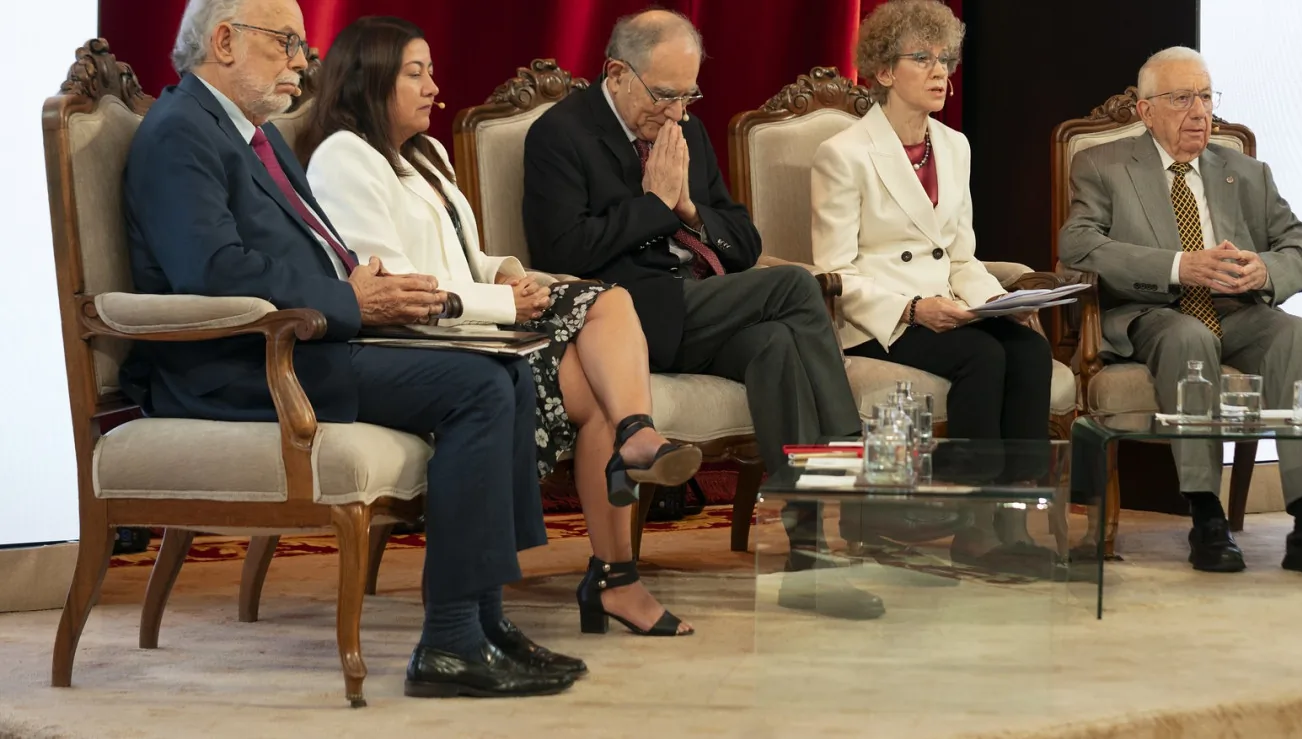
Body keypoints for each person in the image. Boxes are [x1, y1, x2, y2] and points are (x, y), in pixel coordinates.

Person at [123, 0, 583, 698]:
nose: (302, 62)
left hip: (307, 341)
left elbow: (309, 250)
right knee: (478, 387)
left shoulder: (257, 136)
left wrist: (361, 284)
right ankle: (452, 638)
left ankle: (485, 618)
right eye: (285, 43)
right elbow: (212, 274)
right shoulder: (180, 133)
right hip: (239, 366)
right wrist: (352, 301)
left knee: (506, 369)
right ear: (223, 41)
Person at [301, 16, 698, 635]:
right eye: (415, 73)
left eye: (431, 71)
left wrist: (509, 273)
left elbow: (467, 254)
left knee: (607, 318)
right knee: (598, 363)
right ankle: (619, 549)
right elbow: (400, 288)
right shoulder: (343, 159)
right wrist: (504, 305)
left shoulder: (424, 154)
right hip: (431, 340)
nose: (434, 85)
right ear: (367, 79)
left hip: (480, 320)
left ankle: (630, 469)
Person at [521, 10, 880, 619]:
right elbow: (564, 252)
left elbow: (741, 234)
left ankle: (811, 558)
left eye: (689, 93)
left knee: (775, 345)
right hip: (629, 326)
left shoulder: (689, 131)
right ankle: (849, 459)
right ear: (616, 73)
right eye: (665, 94)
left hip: (705, 306)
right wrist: (657, 206)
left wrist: (688, 209)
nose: (678, 111)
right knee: (793, 286)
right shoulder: (561, 134)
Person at [1059, 47, 1302, 579]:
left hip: (1237, 309)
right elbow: (1077, 247)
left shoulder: (1246, 171)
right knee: (1189, 339)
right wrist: (1179, 266)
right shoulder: (1102, 164)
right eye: (1181, 99)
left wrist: (1264, 270)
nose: (1200, 111)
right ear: (1147, 111)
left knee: (1290, 335)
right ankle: (1206, 516)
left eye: (1206, 96)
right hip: (1153, 311)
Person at [812, 0, 1054, 570]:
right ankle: (972, 526)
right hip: (880, 318)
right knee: (981, 359)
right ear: (885, 71)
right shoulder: (843, 154)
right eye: (922, 58)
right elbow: (835, 270)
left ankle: (1012, 519)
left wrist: (1000, 301)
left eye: (945, 57)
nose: (941, 71)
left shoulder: (954, 145)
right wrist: (914, 307)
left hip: (950, 308)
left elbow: (961, 255)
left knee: (1029, 351)